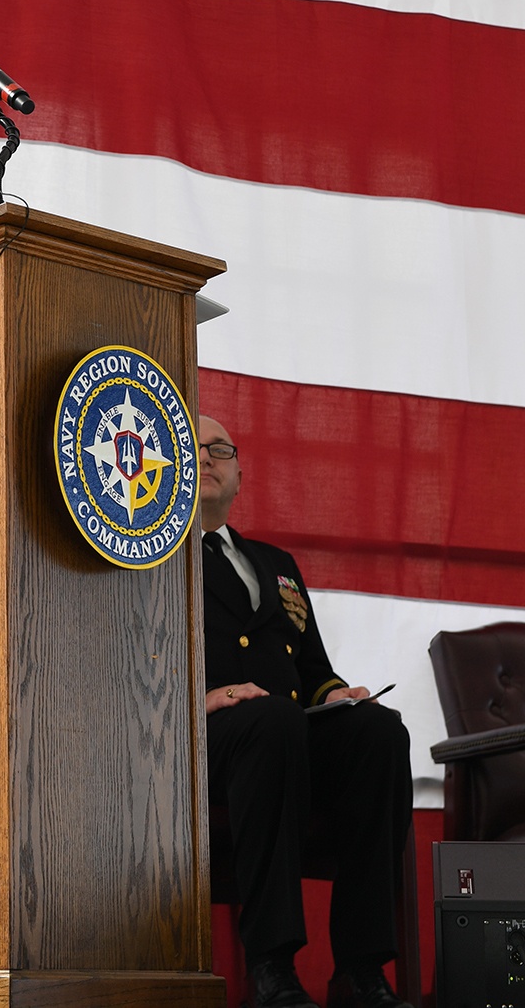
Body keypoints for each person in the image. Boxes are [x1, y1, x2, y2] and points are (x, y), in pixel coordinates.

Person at [198, 415, 413, 1008]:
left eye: (221, 449)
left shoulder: (277, 563)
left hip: (287, 733)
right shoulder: (145, 553)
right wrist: (198, 699)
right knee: (271, 722)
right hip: (200, 743)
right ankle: (272, 967)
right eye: (191, 446)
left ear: (242, 472)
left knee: (378, 732)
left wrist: (336, 695)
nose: (209, 457)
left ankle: (362, 970)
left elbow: (312, 671)